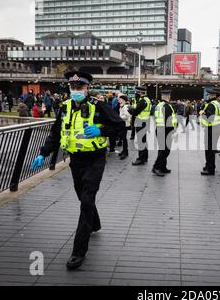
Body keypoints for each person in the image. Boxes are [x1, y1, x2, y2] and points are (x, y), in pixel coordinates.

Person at [31, 71, 125, 270]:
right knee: (82, 197)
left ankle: (78, 251)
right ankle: (95, 224)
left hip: (95, 159)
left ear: (87, 88)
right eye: (72, 87)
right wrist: (43, 153)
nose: (75, 91)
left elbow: (120, 126)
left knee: (87, 200)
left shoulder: (99, 106)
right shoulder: (64, 108)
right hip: (75, 160)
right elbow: (56, 134)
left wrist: (102, 130)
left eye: (79, 88)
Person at [152, 90, 177, 177]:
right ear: (168, 97)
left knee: (162, 150)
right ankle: (156, 167)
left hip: (160, 129)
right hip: (165, 130)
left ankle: (162, 167)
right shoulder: (166, 106)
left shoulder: (159, 105)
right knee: (165, 150)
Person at [199, 89, 220, 176]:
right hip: (215, 128)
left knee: (209, 150)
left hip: (210, 128)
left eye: (208, 95)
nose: (207, 96)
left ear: (212, 96)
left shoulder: (211, 105)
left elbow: (209, 118)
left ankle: (210, 169)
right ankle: (209, 165)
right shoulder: (217, 104)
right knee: (211, 149)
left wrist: (202, 113)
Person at [128, 86, 151, 165]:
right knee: (143, 140)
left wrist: (130, 109)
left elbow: (135, 112)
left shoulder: (143, 101)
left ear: (140, 93)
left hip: (141, 122)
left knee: (141, 141)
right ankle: (145, 157)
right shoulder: (146, 99)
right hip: (144, 122)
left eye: (136, 92)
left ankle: (140, 159)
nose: (135, 94)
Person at [118, 95, 132, 160]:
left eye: (120, 99)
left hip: (125, 124)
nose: (118, 100)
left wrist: (119, 118)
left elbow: (127, 116)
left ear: (123, 100)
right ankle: (124, 151)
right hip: (122, 124)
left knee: (124, 138)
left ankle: (125, 152)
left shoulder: (125, 106)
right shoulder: (121, 106)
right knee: (123, 138)